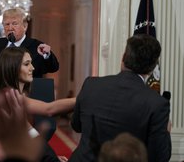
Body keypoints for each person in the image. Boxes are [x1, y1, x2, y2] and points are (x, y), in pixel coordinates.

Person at [69, 34, 171, 162]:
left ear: (123, 58)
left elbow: (76, 125)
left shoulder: (91, 84)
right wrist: (166, 131)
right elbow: (159, 157)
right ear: (152, 68)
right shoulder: (157, 104)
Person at [0, 47, 75, 162]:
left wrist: (53, 157)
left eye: (31, 63)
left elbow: (30, 136)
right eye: (26, 64)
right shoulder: (11, 96)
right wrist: (83, 98)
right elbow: (49, 109)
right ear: (13, 67)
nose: (32, 68)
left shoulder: (14, 94)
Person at [0, 7, 59, 78]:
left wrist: (47, 55)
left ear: (25, 26)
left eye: (14, 24)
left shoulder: (37, 46)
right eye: (7, 24)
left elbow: (53, 68)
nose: (10, 28)